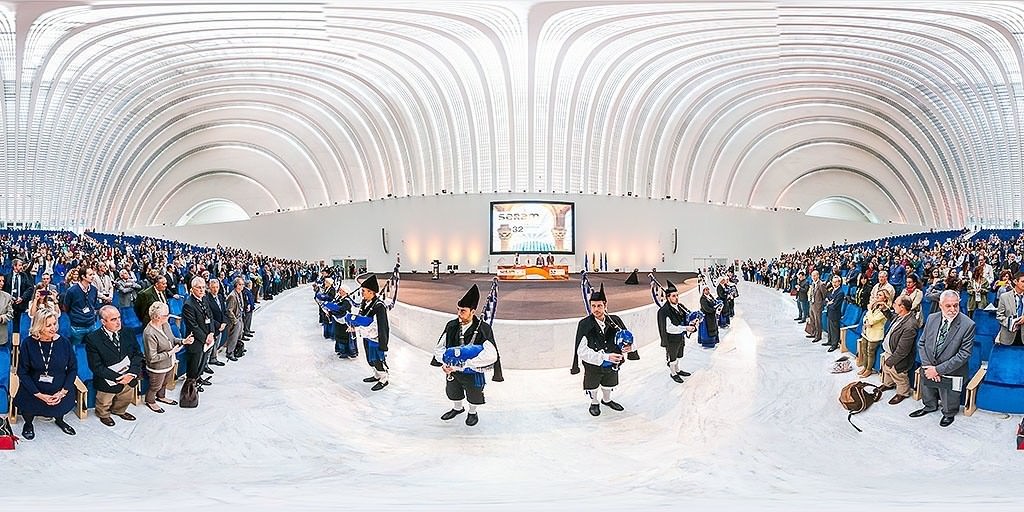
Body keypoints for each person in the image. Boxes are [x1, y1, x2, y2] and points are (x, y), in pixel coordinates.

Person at [432, 284, 500, 426]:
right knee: (453, 391)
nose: (458, 314)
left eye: (463, 311)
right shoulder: (452, 325)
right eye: (458, 310)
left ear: (473, 311)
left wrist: (467, 365)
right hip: (452, 370)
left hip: (472, 371)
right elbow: (439, 348)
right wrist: (444, 363)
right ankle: (458, 409)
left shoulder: (483, 329)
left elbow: (491, 354)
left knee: (474, 394)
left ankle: (472, 412)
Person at [910, 290, 975, 427]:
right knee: (928, 389)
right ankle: (929, 406)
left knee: (948, 399)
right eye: (948, 306)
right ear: (940, 305)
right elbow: (922, 343)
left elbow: (964, 354)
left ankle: (948, 413)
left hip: (951, 370)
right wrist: (928, 367)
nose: (953, 309)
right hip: (929, 367)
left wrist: (938, 370)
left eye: (955, 305)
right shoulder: (932, 318)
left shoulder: (968, 325)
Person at [570, 284, 633, 416]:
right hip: (593, 365)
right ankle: (594, 402)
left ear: (605, 305)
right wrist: (605, 357)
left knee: (608, 383)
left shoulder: (615, 320)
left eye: (599, 306)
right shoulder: (584, 324)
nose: (596, 309)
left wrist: (629, 347)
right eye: (593, 306)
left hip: (612, 364)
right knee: (593, 385)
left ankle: (607, 400)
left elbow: (627, 338)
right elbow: (582, 351)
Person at [14, 310, 78, 439]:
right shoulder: (28, 343)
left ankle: (59, 420)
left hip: (59, 388)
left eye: (54, 324)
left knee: (60, 406)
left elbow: (72, 369)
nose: (53, 328)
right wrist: (39, 394)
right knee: (28, 406)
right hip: (34, 388)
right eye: (48, 325)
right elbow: (22, 372)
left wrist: (62, 392)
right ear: (38, 325)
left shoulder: (64, 342)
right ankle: (28, 423)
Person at [84, 305, 144, 427]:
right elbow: (96, 366)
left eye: (119, 318)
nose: (118, 322)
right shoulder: (93, 339)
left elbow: (137, 354)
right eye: (113, 319)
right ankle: (104, 415)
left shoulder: (128, 332)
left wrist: (131, 373)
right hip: (108, 379)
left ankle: (119, 411)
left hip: (129, 376)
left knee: (125, 397)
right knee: (104, 401)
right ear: (103, 322)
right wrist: (118, 377)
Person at [143, 301, 191, 413]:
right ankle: (150, 401)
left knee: (165, 382)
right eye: (166, 315)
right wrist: (170, 352)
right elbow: (152, 358)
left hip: (170, 362)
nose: (168, 316)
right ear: (156, 317)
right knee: (155, 386)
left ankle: (161, 396)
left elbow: (172, 339)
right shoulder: (149, 333)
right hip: (157, 367)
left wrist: (183, 341)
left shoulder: (165, 324)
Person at [346, 275, 391, 391]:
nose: (362, 294)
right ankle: (376, 375)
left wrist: (357, 329)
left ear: (371, 292)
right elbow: (363, 319)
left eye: (364, 291)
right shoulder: (365, 302)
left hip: (375, 338)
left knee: (377, 359)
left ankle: (384, 379)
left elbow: (378, 326)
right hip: (367, 336)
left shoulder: (379, 306)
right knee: (370, 359)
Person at [876, 296, 919, 405]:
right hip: (889, 352)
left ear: (902, 307)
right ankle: (888, 384)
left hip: (898, 356)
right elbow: (892, 316)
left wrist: (891, 361)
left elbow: (902, 351)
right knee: (887, 371)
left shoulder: (910, 325)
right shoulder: (901, 315)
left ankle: (902, 392)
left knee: (899, 374)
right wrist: (884, 309)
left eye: (895, 303)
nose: (893, 304)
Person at [181, 276, 216, 394]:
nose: (202, 290)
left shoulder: (204, 299)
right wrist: (205, 338)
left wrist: (211, 332)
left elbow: (210, 316)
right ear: (192, 289)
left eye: (203, 287)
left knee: (203, 361)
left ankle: (199, 378)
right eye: (199, 288)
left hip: (207, 337)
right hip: (196, 340)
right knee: (194, 364)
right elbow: (193, 326)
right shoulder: (188, 304)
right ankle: (192, 383)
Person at [657, 280, 695, 383]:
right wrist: (685, 328)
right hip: (671, 339)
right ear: (668, 297)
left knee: (679, 355)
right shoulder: (664, 311)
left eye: (677, 295)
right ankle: (673, 373)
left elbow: (687, 316)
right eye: (673, 296)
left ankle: (677, 370)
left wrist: (693, 320)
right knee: (672, 357)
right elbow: (669, 328)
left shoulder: (680, 306)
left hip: (680, 337)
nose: (676, 298)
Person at [63, 267, 100, 346]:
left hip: (91, 325)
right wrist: (75, 316)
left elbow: (94, 304)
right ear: (83, 276)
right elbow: (66, 307)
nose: (93, 276)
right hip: (77, 326)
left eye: (93, 274)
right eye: (90, 275)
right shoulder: (71, 291)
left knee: (92, 348)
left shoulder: (94, 290)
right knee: (76, 349)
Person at [857, 289, 889, 376]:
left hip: (875, 334)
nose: (877, 296)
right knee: (864, 349)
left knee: (870, 352)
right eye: (877, 294)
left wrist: (869, 311)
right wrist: (866, 322)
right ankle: (864, 366)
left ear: (885, 298)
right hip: (867, 331)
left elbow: (873, 320)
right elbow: (866, 316)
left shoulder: (885, 309)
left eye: (880, 295)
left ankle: (869, 369)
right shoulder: (875, 306)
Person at [4, 259, 34, 335]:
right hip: (9, 305)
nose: (21, 267)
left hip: (20, 305)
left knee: (18, 326)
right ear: (14, 266)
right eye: (19, 265)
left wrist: (22, 298)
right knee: (7, 326)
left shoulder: (24, 276)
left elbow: (30, 288)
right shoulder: (7, 277)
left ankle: (16, 343)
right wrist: (9, 298)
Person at [995, 272, 1024, 347]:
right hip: (1008, 336)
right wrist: (1011, 323)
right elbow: (999, 316)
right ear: (1015, 281)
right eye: (1023, 281)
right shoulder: (1004, 297)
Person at [224, 277, 245, 361]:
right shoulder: (232, 296)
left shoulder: (239, 293)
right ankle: (230, 352)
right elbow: (229, 310)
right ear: (236, 285)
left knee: (239, 335)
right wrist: (235, 321)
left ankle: (237, 348)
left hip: (239, 317)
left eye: (242, 284)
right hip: (234, 320)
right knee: (233, 337)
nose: (242, 286)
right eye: (240, 284)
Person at [824, 275, 846, 352]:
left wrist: (829, 303)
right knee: (829, 328)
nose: (834, 284)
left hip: (835, 313)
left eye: (836, 282)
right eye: (833, 282)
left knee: (834, 330)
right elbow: (827, 298)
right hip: (830, 312)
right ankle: (830, 341)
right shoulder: (832, 290)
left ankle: (834, 344)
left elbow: (835, 305)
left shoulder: (840, 292)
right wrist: (829, 302)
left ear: (839, 282)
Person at [805, 271, 826, 342]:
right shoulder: (813, 283)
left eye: (814, 276)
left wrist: (820, 304)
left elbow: (824, 295)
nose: (813, 277)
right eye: (812, 276)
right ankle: (813, 332)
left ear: (818, 276)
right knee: (812, 319)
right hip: (812, 304)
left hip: (818, 305)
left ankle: (818, 336)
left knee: (818, 321)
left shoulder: (821, 284)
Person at [1, 275, 14, 345]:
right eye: (0, 281)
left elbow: (10, 314)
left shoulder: (7, 297)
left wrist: (2, 318)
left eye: (3, 281)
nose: (2, 283)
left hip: (1, 337)